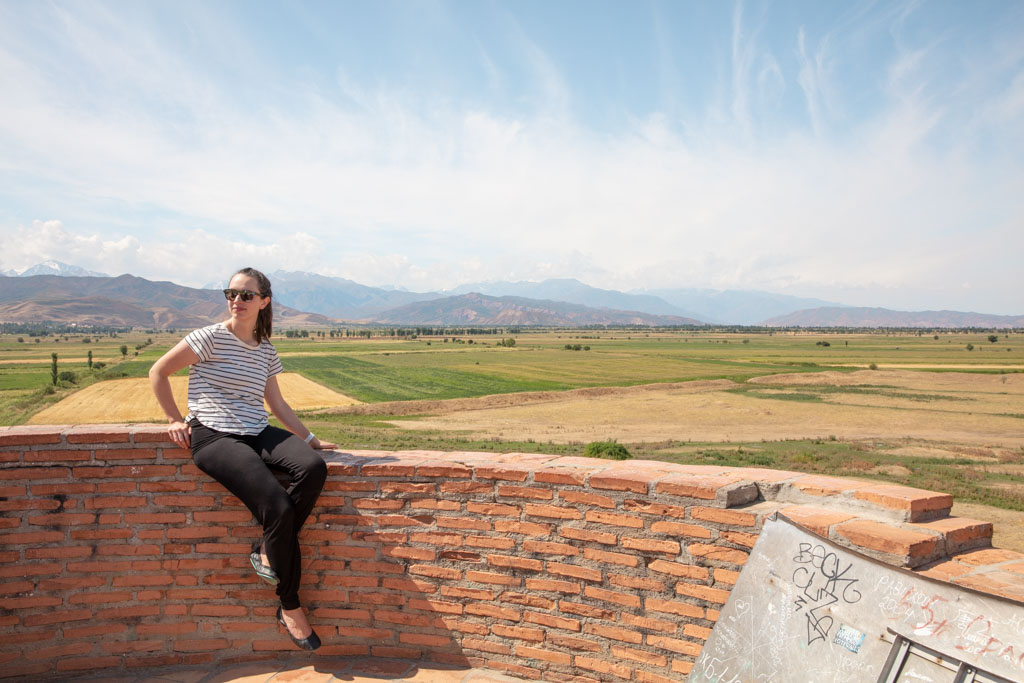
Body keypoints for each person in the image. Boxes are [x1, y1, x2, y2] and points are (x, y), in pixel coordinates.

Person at [149, 266, 334, 651]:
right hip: (214, 436)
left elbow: (276, 403)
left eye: (246, 295)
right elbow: (158, 371)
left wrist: (310, 439)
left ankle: (269, 547)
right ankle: (289, 605)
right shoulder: (209, 338)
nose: (236, 300)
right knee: (278, 508)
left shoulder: (265, 349)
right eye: (231, 293)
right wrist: (172, 418)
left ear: (264, 301)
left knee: (313, 468)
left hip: (256, 431)